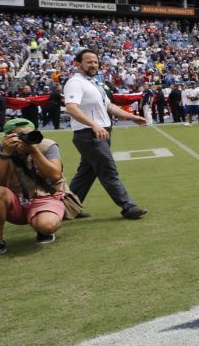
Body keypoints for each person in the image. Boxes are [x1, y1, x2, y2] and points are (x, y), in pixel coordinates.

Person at [63, 49, 148, 220]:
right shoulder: (75, 82)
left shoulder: (95, 83)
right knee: (108, 170)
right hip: (90, 134)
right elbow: (71, 108)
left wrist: (131, 117)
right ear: (78, 64)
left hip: (100, 132)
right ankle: (128, 207)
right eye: (89, 62)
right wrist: (94, 125)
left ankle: (67, 209)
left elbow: (109, 106)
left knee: (86, 174)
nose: (93, 64)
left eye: (95, 61)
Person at [0, 118, 66, 263]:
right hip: (12, 201)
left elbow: (55, 175)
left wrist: (34, 151)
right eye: (20, 135)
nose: (26, 139)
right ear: (7, 137)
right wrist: (6, 154)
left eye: (29, 134)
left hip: (43, 197)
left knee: (47, 226)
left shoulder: (47, 146)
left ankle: (42, 230)